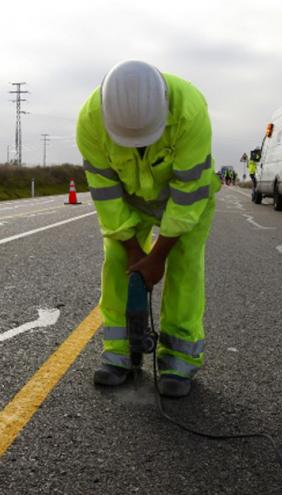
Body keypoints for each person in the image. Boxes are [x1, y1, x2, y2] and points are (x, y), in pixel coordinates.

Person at [76, 60, 219, 398]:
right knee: (116, 263)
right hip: (129, 198)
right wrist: (134, 252)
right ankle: (120, 353)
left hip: (185, 197)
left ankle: (179, 358)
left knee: (184, 265)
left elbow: (187, 195)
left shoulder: (190, 111)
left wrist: (158, 256)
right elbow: (106, 195)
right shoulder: (90, 121)